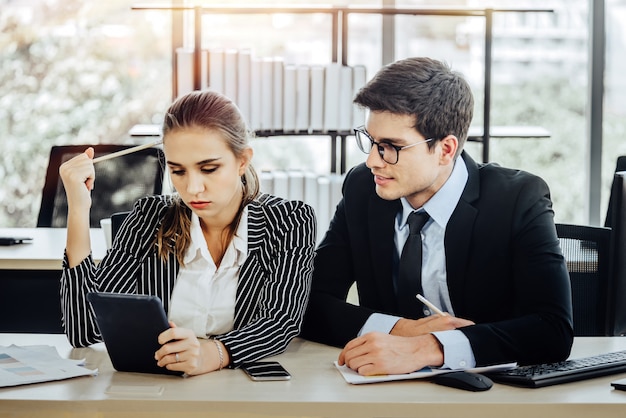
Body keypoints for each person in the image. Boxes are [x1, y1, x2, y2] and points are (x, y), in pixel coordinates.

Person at [300, 57, 573, 376]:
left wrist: (431, 346)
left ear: (445, 149)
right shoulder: (364, 189)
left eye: (391, 146)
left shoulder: (517, 199)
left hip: (493, 393)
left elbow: (552, 331)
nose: (373, 160)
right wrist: (402, 330)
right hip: (385, 388)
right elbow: (307, 304)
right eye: (371, 141)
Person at [59, 90, 316, 376]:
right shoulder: (149, 219)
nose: (193, 188)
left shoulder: (289, 221)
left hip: (240, 394)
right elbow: (83, 329)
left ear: (242, 161)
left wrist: (215, 353)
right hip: (159, 395)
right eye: (178, 171)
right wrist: (79, 210)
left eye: (208, 169)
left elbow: (280, 322)